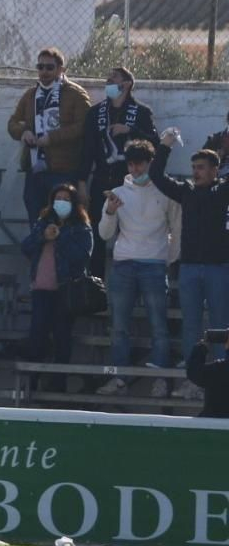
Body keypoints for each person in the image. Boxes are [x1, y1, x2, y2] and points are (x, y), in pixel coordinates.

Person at [95, 139, 181, 397]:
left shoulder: (166, 191)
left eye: (140, 163)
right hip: (123, 265)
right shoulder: (117, 193)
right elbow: (104, 234)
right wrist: (109, 212)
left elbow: (177, 229)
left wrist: (167, 259)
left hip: (154, 265)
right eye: (131, 163)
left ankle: (160, 379)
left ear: (150, 163)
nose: (135, 169)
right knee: (119, 327)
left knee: (158, 326)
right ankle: (119, 377)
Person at [150, 128, 229, 401]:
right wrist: (165, 146)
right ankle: (194, 380)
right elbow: (155, 176)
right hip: (190, 269)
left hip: (219, 267)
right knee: (191, 326)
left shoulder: (223, 191)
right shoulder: (186, 192)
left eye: (202, 168)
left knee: (220, 325)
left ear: (215, 170)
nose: (196, 172)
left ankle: (221, 381)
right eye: (194, 167)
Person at [82, 66, 157, 276]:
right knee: (97, 233)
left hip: (131, 183)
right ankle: (96, 287)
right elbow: (86, 151)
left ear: (126, 84)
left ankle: (128, 287)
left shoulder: (141, 112)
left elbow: (156, 145)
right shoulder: (95, 112)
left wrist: (130, 131)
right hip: (101, 180)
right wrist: (81, 181)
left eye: (113, 78)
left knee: (129, 233)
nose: (108, 81)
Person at [18, 184, 93, 392]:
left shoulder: (81, 227)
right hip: (41, 288)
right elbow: (26, 247)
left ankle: (59, 384)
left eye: (66, 199)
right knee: (37, 336)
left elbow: (82, 257)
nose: (61, 202)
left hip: (66, 290)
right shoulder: (43, 223)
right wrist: (44, 236)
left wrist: (61, 238)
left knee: (62, 337)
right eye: (58, 198)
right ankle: (32, 382)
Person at [7, 47, 90, 225]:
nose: (44, 71)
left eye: (49, 67)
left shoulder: (76, 94)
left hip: (64, 170)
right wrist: (24, 132)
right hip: (35, 169)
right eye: (40, 66)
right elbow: (13, 122)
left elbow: (83, 127)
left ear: (61, 69)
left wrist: (53, 137)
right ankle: (39, 253)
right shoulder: (30, 95)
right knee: (36, 218)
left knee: (63, 220)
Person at [184, 330, 229, 417]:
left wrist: (201, 347)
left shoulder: (220, 369)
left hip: (215, 422)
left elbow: (194, 372)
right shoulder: (221, 368)